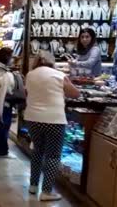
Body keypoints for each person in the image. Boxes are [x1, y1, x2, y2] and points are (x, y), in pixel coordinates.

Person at [25, 51, 80, 201]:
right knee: (53, 155)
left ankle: (33, 185)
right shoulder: (59, 75)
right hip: (54, 119)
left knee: (37, 151)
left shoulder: (30, 74)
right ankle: (47, 191)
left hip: (32, 118)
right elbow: (75, 94)